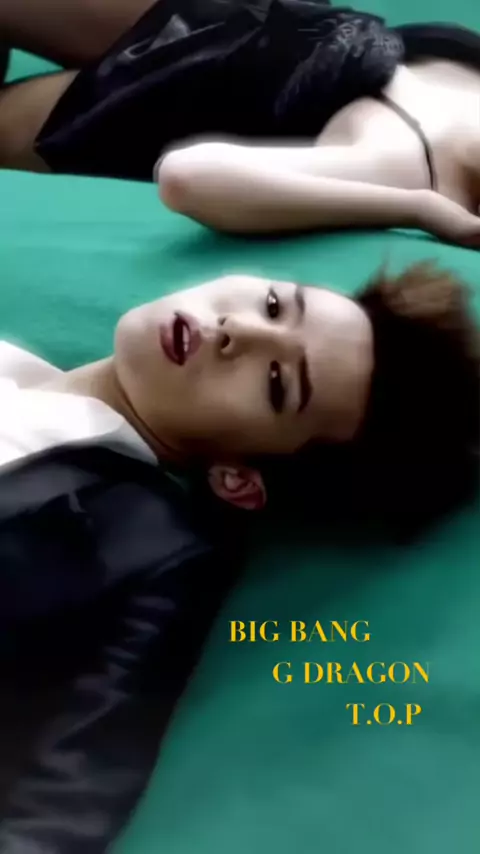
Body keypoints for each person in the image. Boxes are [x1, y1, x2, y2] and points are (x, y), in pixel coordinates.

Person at [0, 262, 478, 853]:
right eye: (275, 305)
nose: (239, 330)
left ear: (238, 480)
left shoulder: (152, 548)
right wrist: (422, 214)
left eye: (277, 384)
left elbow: (61, 808)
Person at [1, 0, 480, 246]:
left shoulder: (408, 169)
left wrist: (418, 210)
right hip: (225, 13)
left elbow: (186, 178)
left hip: (154, 98)